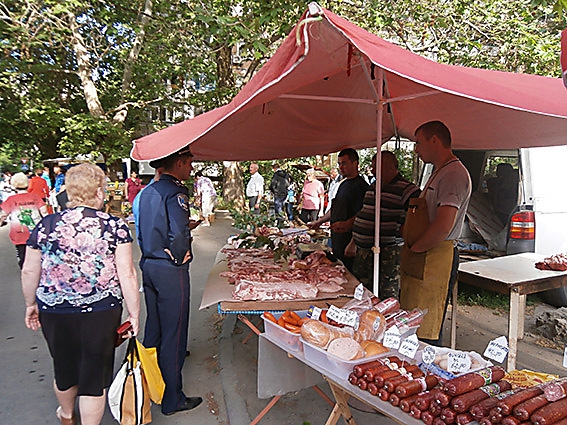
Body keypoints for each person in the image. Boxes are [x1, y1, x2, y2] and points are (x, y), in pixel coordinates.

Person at [20, 163, 140, 425]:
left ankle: (66, 415)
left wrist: (30, 304)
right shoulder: (113, 226)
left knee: (64, 366)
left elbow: (30, 270)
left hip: (54, 309)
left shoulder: (46, 225)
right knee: (93, 375)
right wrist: (134, 313)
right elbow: (127, 273)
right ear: (99, 191)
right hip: (101, 311)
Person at [137, 146, 203, 416]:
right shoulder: (175, 192)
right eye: (188, 162)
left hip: (149, 263)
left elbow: (147, 227)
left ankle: (148, 380)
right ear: (177, 162)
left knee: (155, 326)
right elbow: (176, 233)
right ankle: (172, 398)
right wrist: (179, 256)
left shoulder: (147, 192)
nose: (190, 168)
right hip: (169, 268)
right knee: (174, 333)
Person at [399, 121, 471, 346]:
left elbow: (443, 225)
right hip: (423, 253)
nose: (416, 149)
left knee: (426, 328)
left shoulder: (454, 175)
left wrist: (417, 248)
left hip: (435, 256)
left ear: (435, 140)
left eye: (418, 143)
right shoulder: (439, 172)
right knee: (411, 324)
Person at [345, 151, 421, 298]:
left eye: (376, 166)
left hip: (388, 252)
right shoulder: (373, 186)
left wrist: (402, 231)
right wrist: (353, 241)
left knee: (386, 294)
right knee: (361, 292)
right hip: (364, 251)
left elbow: (418, 216)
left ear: (390, 166)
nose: (372, 170)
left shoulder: (407, 189)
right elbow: (365, 213)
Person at [309, 148, 369, 271]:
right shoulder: (343, 184)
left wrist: (353, 243)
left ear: (355, 163)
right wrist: (319, 222)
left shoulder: (362, 187)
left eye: (344, 163)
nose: (341, 167)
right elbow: (335, 209)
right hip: (337, 240)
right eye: (339, 163)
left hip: (350, 243)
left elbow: (363, 216)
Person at [0, 172, 47, 269]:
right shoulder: (35, 197)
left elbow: (3, 215)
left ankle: (24, 270)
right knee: (36, 253)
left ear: (14, 184)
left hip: (19, 232)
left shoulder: (11, 199)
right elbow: (45, 213)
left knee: (22, 254)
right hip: (35, 231)